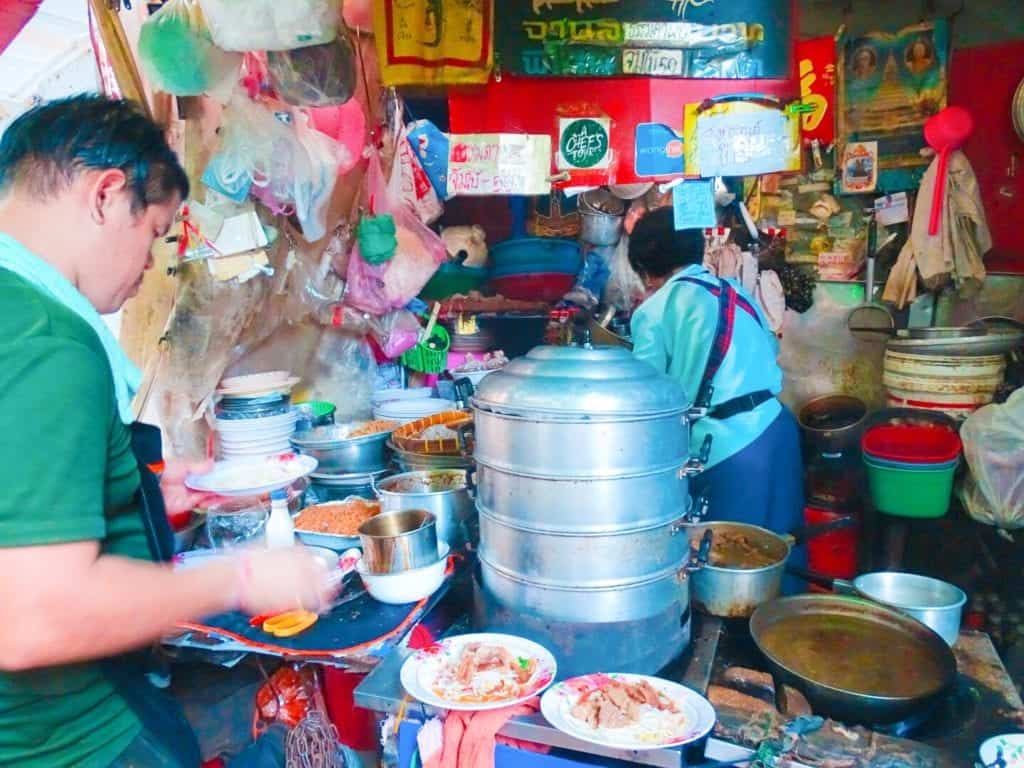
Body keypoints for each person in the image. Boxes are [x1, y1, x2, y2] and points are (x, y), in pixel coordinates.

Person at [0, 95, 337, 767]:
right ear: (104, 196)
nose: (151, 264)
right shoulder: (47, 341)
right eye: (154, 232)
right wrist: (241, 578)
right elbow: (31, 617)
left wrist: (143, 496)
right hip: (70, 738)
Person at [628, 207, 805, 549]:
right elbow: (769, 349)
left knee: (726, 565)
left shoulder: (654, 310)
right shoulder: (735, 291)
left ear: (645, 266)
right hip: (778, 431)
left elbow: (646, 398)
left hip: (728, 449)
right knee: (782, 555)